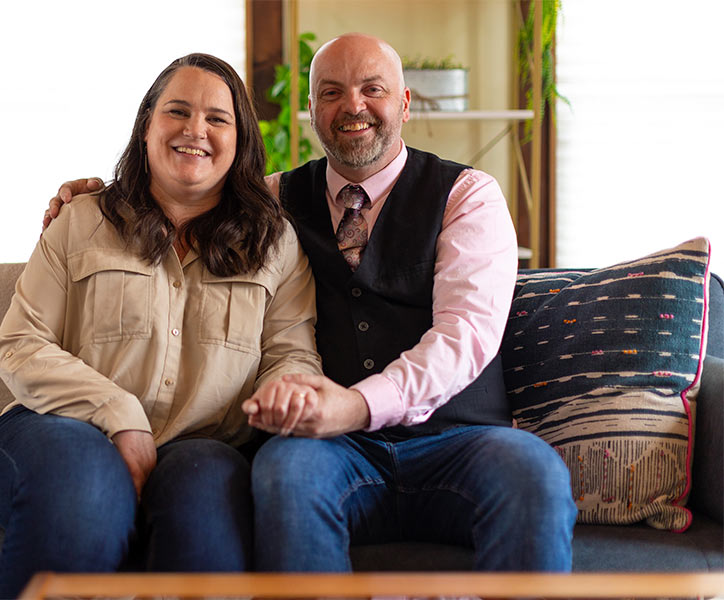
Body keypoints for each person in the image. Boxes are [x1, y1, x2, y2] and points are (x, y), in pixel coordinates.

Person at [48, 34, 577, 572]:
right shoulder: (268, 202)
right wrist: (94, 199)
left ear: (405, 103)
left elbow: (465, 336)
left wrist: (356, 405)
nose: (353, 106)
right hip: (328, 449)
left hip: (461, 441)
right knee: (284, 471)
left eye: (373, 89)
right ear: (311, 110)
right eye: (330, 92)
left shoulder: (468, 196)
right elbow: (184, 184)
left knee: (535, 474)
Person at [0, 53, 321, 598]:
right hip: (62, 429)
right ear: (146, 128)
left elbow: (291, 352)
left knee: (206, 525)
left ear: (241, 142)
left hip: (204, 442)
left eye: (217, 118)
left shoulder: (275, 243)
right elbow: (21, 343)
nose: (195, 130)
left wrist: (287, 390)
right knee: (86, 497)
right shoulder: (81, 219)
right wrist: (120, 414)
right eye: (177, 112)